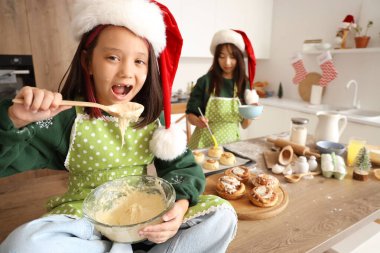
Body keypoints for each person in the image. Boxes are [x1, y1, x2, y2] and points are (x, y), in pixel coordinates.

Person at [0, 1, 237, 252]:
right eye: (112, 57)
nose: (126, 72)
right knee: (22, 245)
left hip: (145, 222)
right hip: (86, 223)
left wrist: (178, 206)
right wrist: (15, 120)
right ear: (87, 62)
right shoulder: (66, 117)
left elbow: (184, 168)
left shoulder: (151, 120)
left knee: (222, 216)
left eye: (139, 61)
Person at [186, 29, 260, 149]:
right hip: (203, 144)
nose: (227, 62)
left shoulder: (243, 83)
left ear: (239, 58)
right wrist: (197, 121)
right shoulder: (205, 81)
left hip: (231, 145)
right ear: (216, 58)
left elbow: (245, 125)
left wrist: (252, 112)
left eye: (232, 57)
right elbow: (190, 115)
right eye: (222, 56)